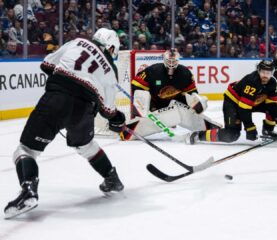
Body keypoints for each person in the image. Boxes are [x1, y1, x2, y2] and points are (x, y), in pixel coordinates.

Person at [4, 28, 126, 219]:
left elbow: (46, 64)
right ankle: (111, 177)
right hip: (84, 110)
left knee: (26, 150)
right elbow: (108, 110)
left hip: (57, 99)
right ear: (111, 47)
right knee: (85, 145)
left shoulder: (77, 42)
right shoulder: (111, 69)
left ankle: (29, 191)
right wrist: (117, 119)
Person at [120, 48, 221, 140]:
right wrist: (142, 105)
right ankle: (131, 128)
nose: (171, 64)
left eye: (174, 61)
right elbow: (136, 85)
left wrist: (197, 102)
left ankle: (211, 128)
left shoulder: (185, 73)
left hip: (175, 102)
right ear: (164, 60)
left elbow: (192, 93)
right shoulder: (154, 71)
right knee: (145, 97)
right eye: (169, 61)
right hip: (154, 104)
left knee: (186, 106)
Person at [187, 60, 277, 145]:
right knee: (231, 135)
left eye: (268, 73)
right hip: (233, 103)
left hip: (251, 103)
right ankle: (198, 135)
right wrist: (250, 128)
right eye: (263, 72)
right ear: (258, 71)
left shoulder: (272, 83)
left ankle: (268, 130)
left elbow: (272, 105)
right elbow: (243, 109)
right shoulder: (252, 81)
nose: (265, 75)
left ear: (272, 73)